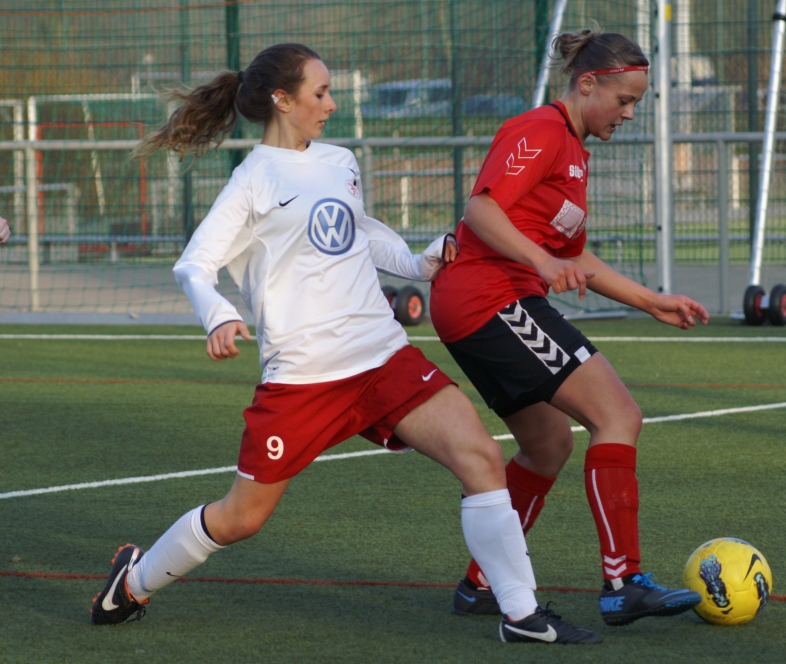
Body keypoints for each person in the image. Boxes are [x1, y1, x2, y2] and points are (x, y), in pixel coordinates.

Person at [89, 43, 601, 645]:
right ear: (283, 100)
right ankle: (135, 580)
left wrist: (417, 261)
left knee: (482, 458)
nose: (331, 104)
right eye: (320, 93)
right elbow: (193, 266)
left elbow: (358, 231)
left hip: (383, 356)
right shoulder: (251, 181)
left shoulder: (340, 160)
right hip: (304, 378)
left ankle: (523, 616)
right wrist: (219, 316)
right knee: (240, 519)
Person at [431, 29, 711, 627]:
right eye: (624, 100)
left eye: (637, 103)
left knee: (548, 444)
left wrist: (649, 300)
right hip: (490, 298)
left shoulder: (575, 153)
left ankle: (483, 585)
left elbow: (575, 256)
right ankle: (624, 582)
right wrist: (540, 261)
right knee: (618, 416)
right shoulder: (541, 130)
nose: (630, 114)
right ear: (588, 84)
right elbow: (482, 207)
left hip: (486, 303)